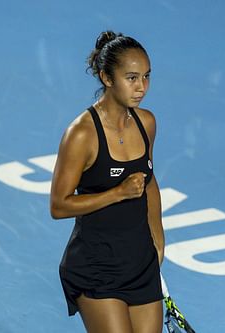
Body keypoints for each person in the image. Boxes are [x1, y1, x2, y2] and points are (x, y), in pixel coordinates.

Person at [50, 30, 164, 333]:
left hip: (140, 265)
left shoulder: (147, 123)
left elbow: (149, 183)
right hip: (95, 268)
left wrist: (158, 239)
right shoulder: (82, 134)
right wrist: (117, 193)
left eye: (146, 77)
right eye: (132, 78)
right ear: (106, 77)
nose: (141, 88)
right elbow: (59, 206)